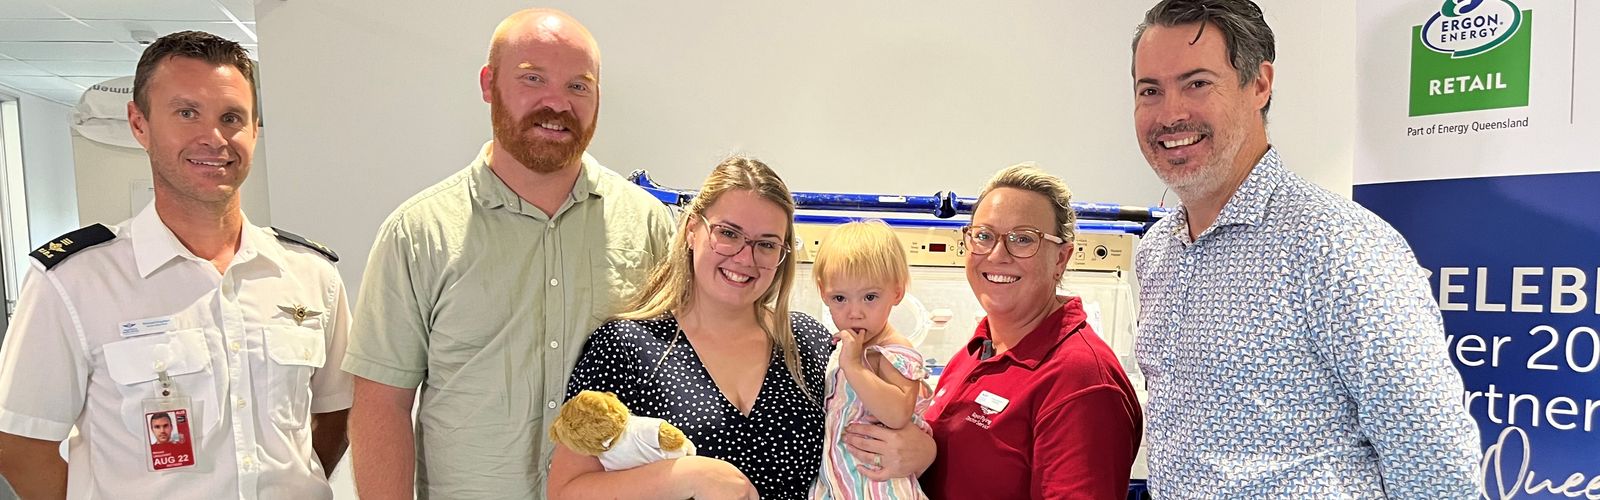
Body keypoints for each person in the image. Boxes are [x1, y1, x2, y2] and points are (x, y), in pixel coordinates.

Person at [1127, 0, 1482, 496]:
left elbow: (1435, 461)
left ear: (1259, 84)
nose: (1171, 114)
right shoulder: (1156, 252)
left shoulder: (1339, 247)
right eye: (1150, 90)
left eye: (1197, 83)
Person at [0, 31, 353, 499]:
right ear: (139, 124)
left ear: (254, 129)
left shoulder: (310, 275)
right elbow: (21, 443)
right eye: (187, 113)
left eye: (232, 117)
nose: (214, 138)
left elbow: (336, 413)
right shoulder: (75, 282)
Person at [342, 8, 675, 499]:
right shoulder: (419, 233)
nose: (556, 103)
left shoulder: (649, 225)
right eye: (533, 78)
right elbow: (382, 403)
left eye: (578, 86)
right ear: (488, 83)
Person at [843, 165, 1144, 499]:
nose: (998, 255)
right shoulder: (977, 351)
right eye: (984, 236)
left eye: (1023, 239)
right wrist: (923, 456)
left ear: (1061, 258)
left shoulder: (1081, 382)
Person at [547, 156, 831, 500]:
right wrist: (686, 477)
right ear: (692, 230)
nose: (745, 258)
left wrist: (898, 449)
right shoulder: (625, 347)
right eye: (728, 234)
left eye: (767, 244)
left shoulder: (808, 342)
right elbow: (567, 491)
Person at [809, 221, 931, 500]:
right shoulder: (846, 347)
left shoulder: (892, 351)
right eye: (840, 298)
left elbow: (897, 413)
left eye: (870, 297)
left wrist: (854, 366)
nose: (855, 312)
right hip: (840, 482)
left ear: (897, 292)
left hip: (880, 489)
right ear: (823, 292)